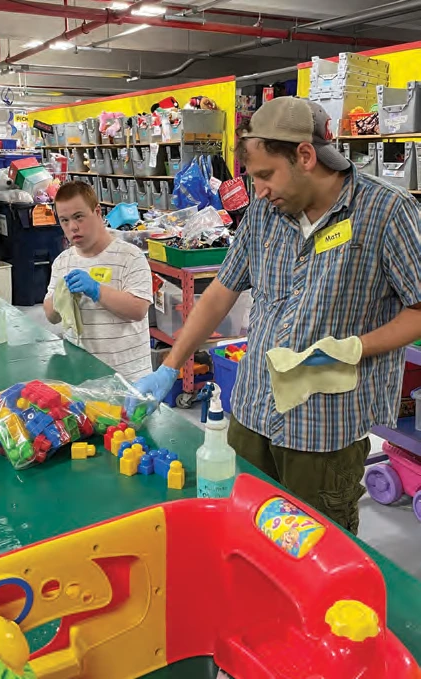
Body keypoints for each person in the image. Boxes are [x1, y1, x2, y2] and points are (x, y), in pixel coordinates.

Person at [134, 96, 421, 534]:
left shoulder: (387, 212)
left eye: (266, 174)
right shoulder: (266, 213)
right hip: (252, 410)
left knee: (313, 546)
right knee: (243, 531)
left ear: (305, 155)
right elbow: (219, 294)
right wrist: (170, 367)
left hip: (324, 428)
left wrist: (356, 347)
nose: (260, 190)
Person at [44, 181, 153, 382]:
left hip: (128, 380)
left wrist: (96, 290)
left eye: (79, 217)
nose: (72, 227)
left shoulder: (130, 256)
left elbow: (138, 309)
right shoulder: (62, 262)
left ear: (97, 212)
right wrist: (59, 297)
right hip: (81, 378)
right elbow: (52, 317)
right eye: (64, 220)